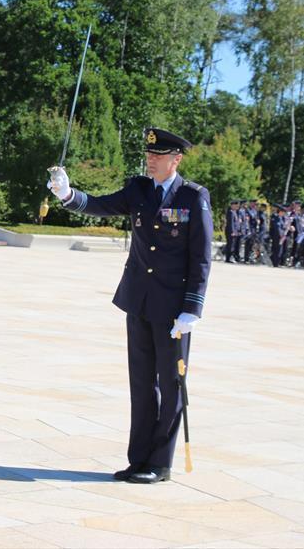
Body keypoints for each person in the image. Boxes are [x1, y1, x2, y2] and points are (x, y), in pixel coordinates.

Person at [47, 127, 212, 485]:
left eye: (159, 156)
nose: (151, 160)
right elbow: (100, 205)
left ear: (176, 159)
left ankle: (161, 463)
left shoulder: (192, 196)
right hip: (137, 299)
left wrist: (192, 309)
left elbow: (201, 258)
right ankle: (138, 459)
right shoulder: (138, 190)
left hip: (173, 310)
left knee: (170, 384)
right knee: (141, 383)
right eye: (149, 155)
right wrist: (67, 193)